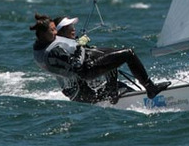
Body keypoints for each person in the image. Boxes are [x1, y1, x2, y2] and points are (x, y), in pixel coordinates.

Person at [30, 13, 170, 104]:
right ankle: (150, 88)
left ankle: (113, 90)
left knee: (110, 54)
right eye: (52, 31)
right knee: (128, 54)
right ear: (44, 34)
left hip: (78, 91)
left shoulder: (42, 46)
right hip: (85, 83)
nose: (73, 29)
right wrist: (79, 46)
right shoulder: (57, 50)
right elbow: (77, 66)